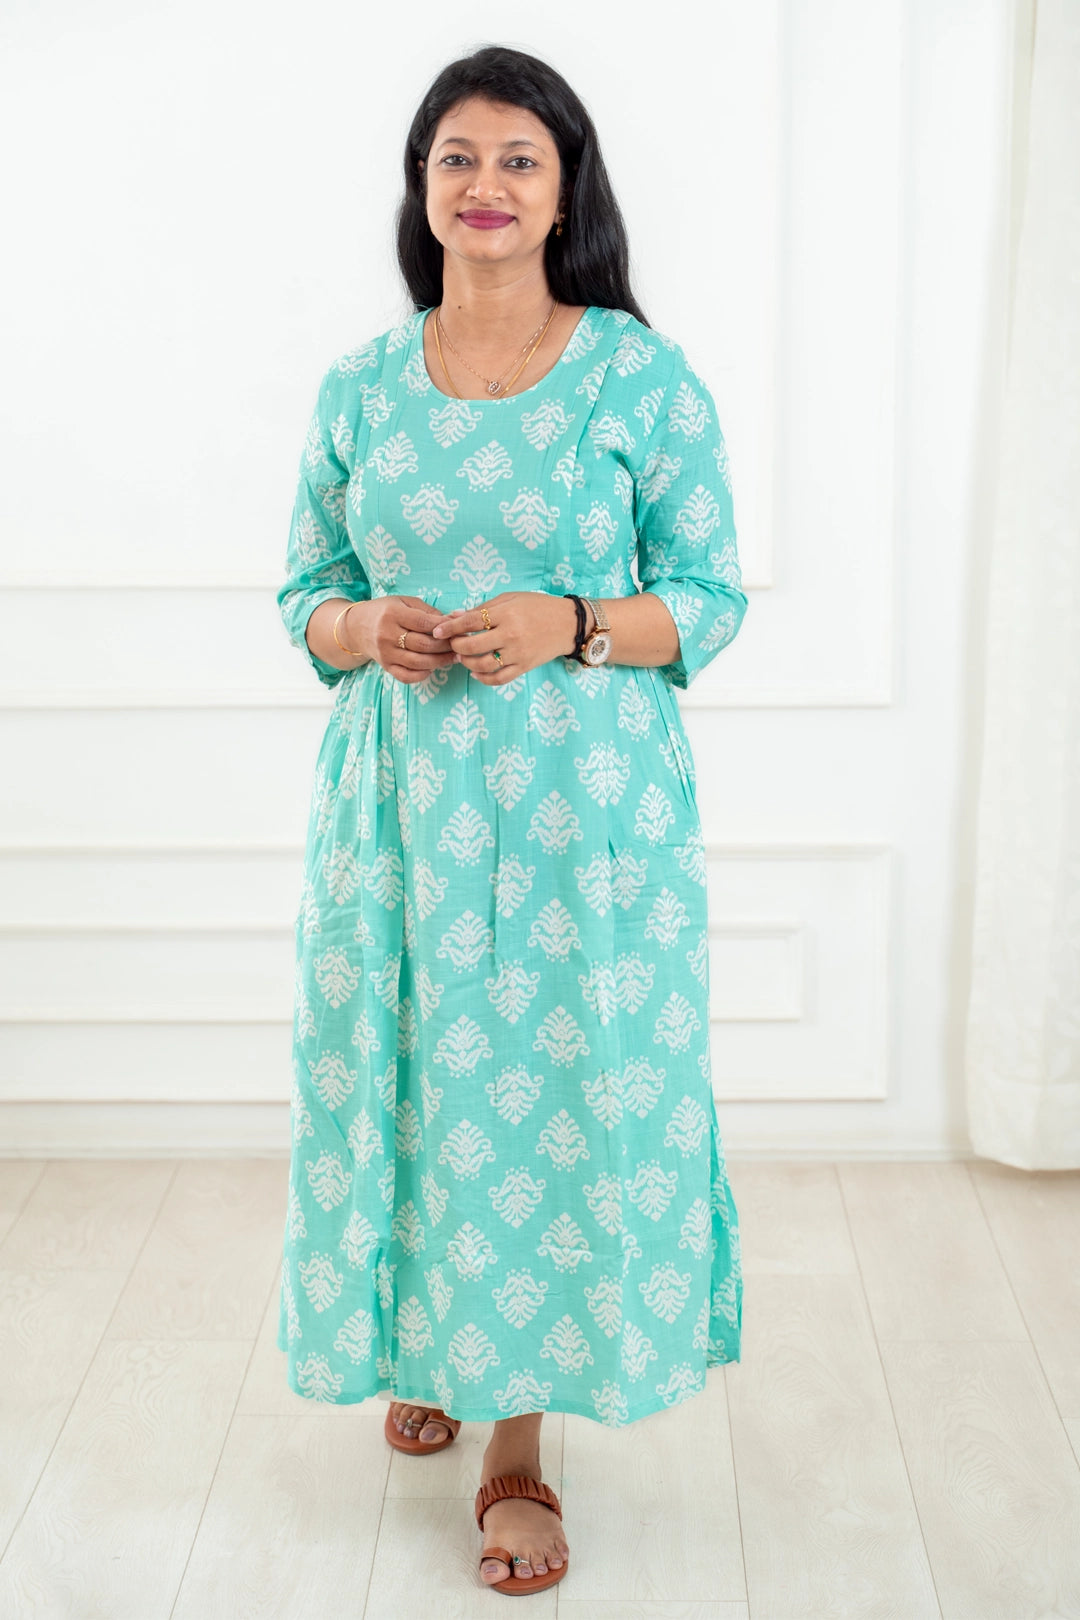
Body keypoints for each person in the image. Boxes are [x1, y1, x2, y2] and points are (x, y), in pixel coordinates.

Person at [275, 42, 749, 1598]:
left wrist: (574, 622)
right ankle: (428, 1343)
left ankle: (517, 1441)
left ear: (564, 196)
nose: (485, 185)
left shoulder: (640, 379)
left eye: (519, 160)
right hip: (400, 816)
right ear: (422, 188)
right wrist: (363, 628)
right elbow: (305, 595)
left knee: (550, 1099)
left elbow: (709, 598)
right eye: (457, 158)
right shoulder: (360, 386)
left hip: (581, 820)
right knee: (413, 1080)